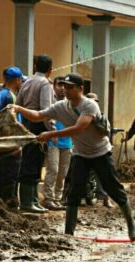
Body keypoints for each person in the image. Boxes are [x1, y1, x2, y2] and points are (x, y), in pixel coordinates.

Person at [12, 73, 135, 239]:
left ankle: (131, 224)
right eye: (64, 87)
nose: (66, 90)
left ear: (81, 89)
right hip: (80, 155)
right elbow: (37, 115)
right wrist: (18, 108)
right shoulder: (60, 106)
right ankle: (68, 233)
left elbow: (79, 128)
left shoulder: (90, 105)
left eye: (70, 88)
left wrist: (50, 134)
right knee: (73, 192)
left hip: (100, 153)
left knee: (113, 188)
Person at [16, 54, 54, 213]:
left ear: (35, 67)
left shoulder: (27, 82)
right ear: (50, 70)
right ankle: (26, 202)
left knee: (31, 162)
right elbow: (46, 110)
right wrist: (51, 130)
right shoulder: (45, 84)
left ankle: (33, 199)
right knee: (33, 163)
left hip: (26, 123)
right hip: (38, 125)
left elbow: (18, 103)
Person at [0, 67, 24, 208]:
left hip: (0, 141)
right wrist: (18, 143)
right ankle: (8, 207)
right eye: (21, 79)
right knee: (10, 177)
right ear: (16, 80)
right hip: (10, 142)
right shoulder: (10, 97)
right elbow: (11, 121)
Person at [42, 76, 73, 211]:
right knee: (53, 170)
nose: (62, 87)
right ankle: (48, 198)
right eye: (59, 84)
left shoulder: (70, 104)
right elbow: (46, 118)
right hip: (53, 142)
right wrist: (52, 131)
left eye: (64, 85)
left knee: (63, 173)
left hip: (68, 142)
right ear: (54, 86)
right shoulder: (51, 102)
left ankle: (57, 198)